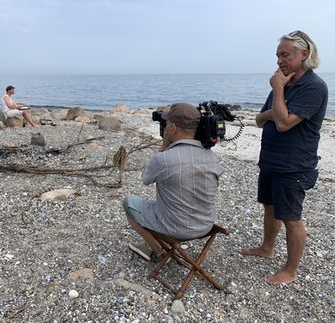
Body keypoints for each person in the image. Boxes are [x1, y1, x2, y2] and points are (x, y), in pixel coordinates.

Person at [241, 31, 328, 285]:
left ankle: (290, 271)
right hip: (270, 159)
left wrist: (278, 92)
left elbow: (284, 124)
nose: (279, 61)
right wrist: (276, 108)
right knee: (269, 207)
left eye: (285, 55)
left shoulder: (313, 86)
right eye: (278, 55)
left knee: (291, 217)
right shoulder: (283, 81)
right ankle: (267, 248)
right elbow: (259, 120)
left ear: (304, 55)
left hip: (294, 165)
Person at [123, 103, 225, 261]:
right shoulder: (211, 157)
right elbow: (215, 184)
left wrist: (164, 145)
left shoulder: (163, 159)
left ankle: (156, 250)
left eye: (167, 124)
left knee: (129, 202)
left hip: (175, 228)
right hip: (205, 225)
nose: (165, 127)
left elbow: (145, 179)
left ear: (173, 128)